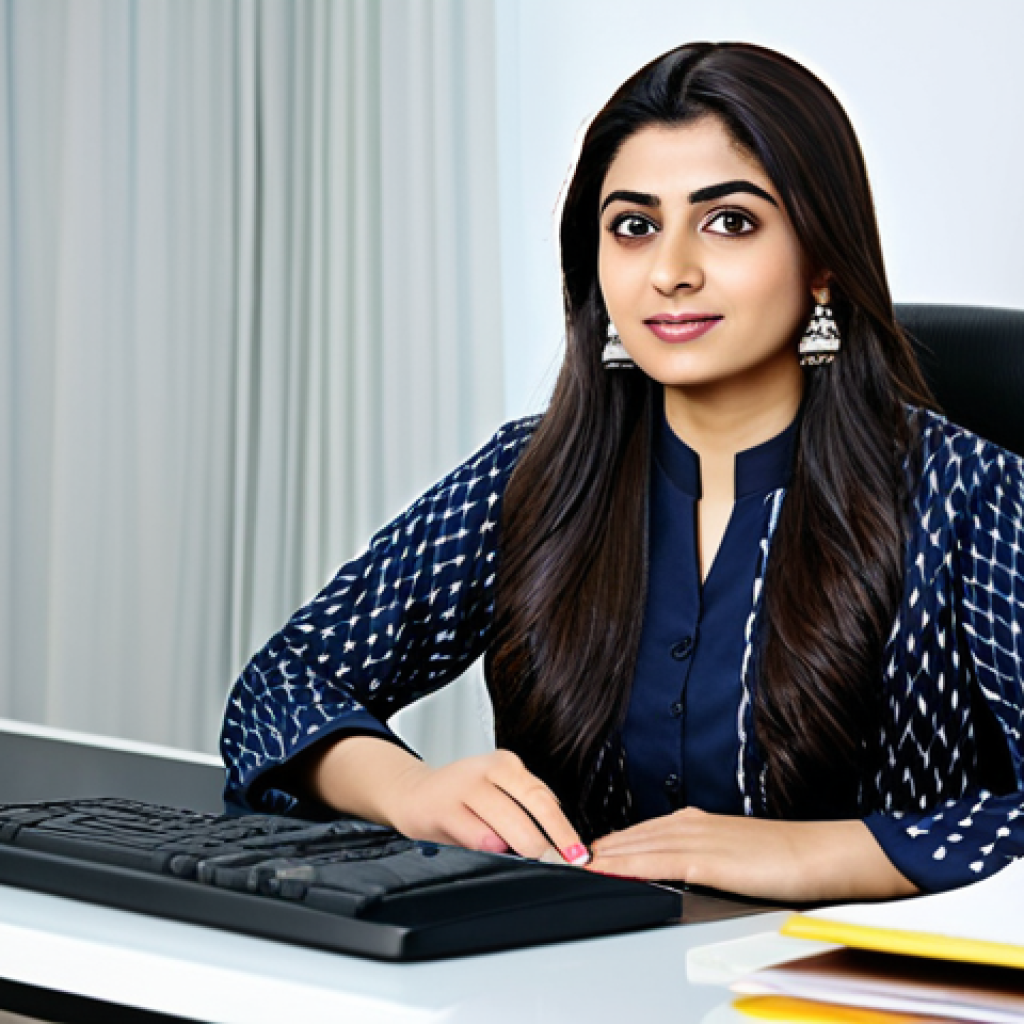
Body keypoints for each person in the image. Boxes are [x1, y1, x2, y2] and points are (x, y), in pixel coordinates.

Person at [220, 41, 1024, 900]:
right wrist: (411, 792)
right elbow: (283, 685)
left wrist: (815, 856)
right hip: (565, 971)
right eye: (634, 227)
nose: (671, 272)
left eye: (730, 222)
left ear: (823, 260)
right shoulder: (531, 476)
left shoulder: (969, 499)